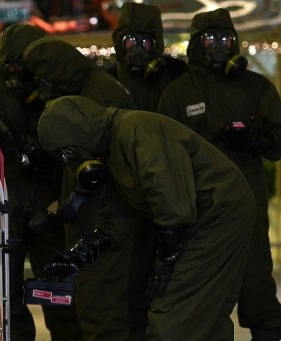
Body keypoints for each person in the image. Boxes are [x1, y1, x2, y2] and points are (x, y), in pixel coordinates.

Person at [37, 95, 256, 340]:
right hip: (207, 215)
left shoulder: (136, 132)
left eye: (66, 153)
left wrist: (165, 265)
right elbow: (118, 216)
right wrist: (79, 255)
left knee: (173, 317)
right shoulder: (115, 147)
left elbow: (173, 205)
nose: (70, 161)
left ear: (78, 132)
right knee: (204, 315)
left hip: (218, 214)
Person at [157, 8, 281, 341]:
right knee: (203, 299)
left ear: (235, 43)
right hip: (197, 211)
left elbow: (280, 142)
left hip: (247, 206)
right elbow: (160, 153)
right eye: (210, 39)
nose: (218, 45)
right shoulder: (178, 92)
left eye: (225, 39)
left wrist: (252, 139)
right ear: (196, 44)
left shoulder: (255, 87)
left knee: (257, 288)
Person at [22, 37, 142, 339]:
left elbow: (97, 168)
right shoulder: (96, 88)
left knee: (99, 307)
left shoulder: (99, 95)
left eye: (44, 79)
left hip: (102, 223)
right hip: (100, 221)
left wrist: (73, 203)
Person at [0, 23, 83, 341]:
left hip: (47, 196)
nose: (17, 77)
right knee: (9, 291)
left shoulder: (48, 77)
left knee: (57, 289)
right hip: (10, 195)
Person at [108, 3, 188, 336]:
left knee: (176, 285)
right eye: (129, 42)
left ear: (157, 43)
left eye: (145, 42)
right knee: (129, 284)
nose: (137, 51)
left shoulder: (178, 79)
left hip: (171, 195)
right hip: (125, 198)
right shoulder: (106, 83)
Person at [109, 2, 188, 111]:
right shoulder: (108, 81)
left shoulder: (175, 74)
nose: (137, 48)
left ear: (154, 45)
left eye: (145, 41)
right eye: (131, 40)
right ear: (120, 43)